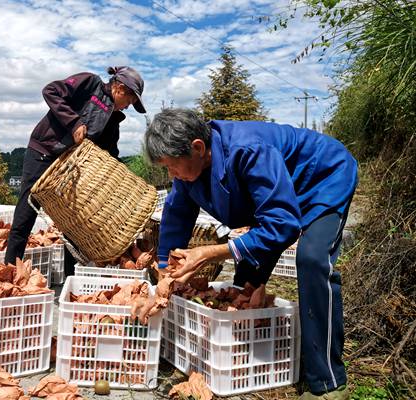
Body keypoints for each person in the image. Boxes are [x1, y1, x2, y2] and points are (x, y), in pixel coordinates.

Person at [144, 108, 357, 400]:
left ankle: (328, 381)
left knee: (312, 259)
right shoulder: (188, 171)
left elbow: (282, 224)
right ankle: (250, 354)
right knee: (245, 282)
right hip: (277, 198)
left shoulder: (248, 149)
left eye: (172, 166)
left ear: (197, 147)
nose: (171, 175)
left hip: (321, 181)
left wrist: (212, 253)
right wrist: (167, 269)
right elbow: (177, 213)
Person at [5, 66, 147, 277]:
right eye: (130, 101)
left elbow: (110, 155)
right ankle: (9, 270)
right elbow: (50, 91)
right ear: (120, 88)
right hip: (44, 153)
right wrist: (74, 122)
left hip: (69, 169)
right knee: (25, 214)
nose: (128, 107)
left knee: (73, 222)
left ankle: (71, 277)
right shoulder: (90, 83)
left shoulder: (113, 119)